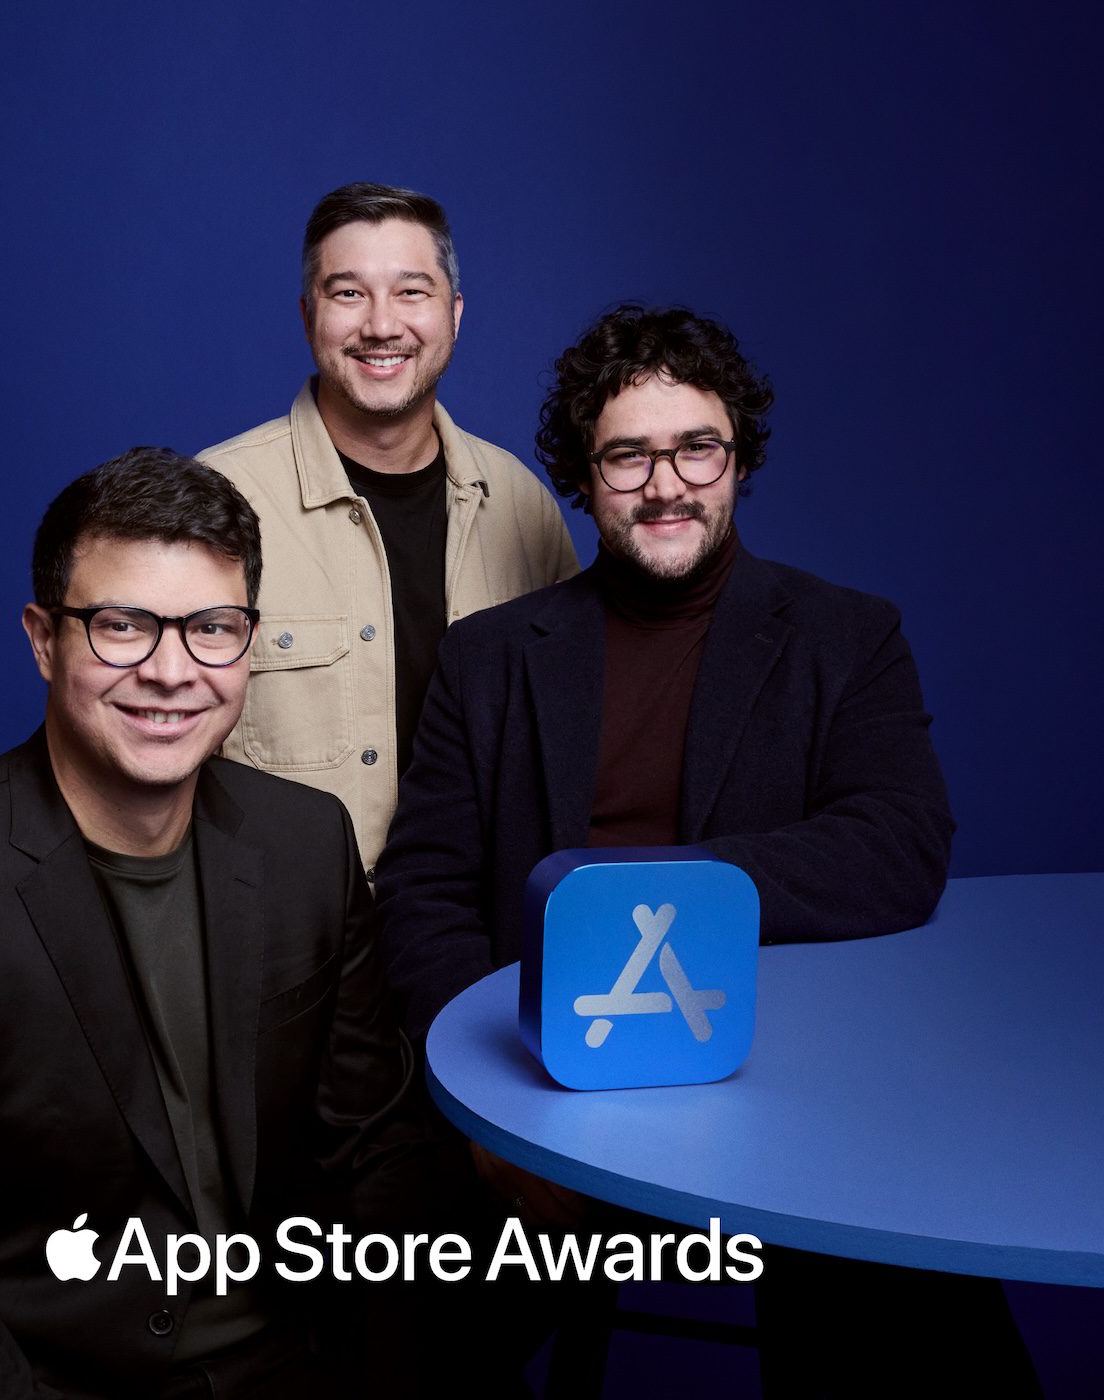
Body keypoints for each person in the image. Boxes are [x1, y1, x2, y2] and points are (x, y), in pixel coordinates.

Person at [375, 305, 1039, 1394]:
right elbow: (421, 890)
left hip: (788, 1090)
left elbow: (898, 844)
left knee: (919, 1320)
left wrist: (624, 898)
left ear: (738, 460)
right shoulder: (487, 660)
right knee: (371, 1326)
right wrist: (485, 1118)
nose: (665, 481)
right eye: (626, 453)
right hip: (539, 1087)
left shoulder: (847, 634)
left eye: (696, 447)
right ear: (583, 478)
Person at [0, 449, 434, 1399]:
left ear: (248, 641)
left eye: (212, 628)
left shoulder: (307, 844)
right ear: (44, 639)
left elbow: (374, 1157)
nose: (172, 673)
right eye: (123, 627)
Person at [200, 181, 577, 873]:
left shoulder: (523, 506)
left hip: (485, 942)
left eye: (411, 291)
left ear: (454, 314)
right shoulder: (217, 502)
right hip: (293, 945)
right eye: (348, 293)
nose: (381, 325)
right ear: (309, 312)